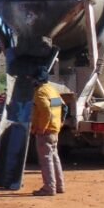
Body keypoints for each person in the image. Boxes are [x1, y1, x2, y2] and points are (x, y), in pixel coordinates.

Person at [29, 67, 66, 196]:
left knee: (46, 160)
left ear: (36, 80)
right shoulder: (52, 90)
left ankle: (49, 188)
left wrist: (41, 128)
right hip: (54, 130)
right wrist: (59, 123)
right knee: (54, 158)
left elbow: (46, 111)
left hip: (45, 132)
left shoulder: (39, 93)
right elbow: (61, 107)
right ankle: (59, 186)